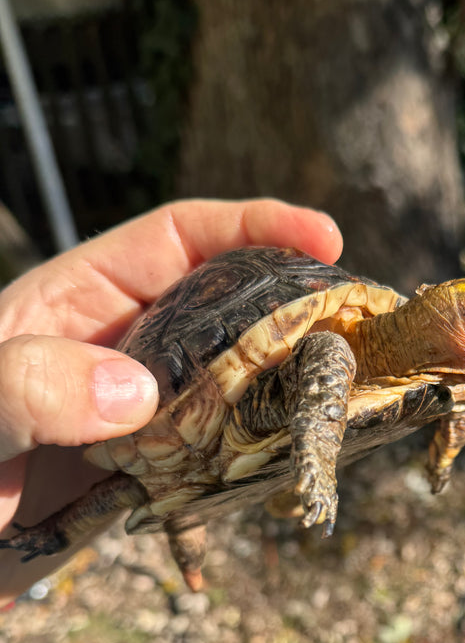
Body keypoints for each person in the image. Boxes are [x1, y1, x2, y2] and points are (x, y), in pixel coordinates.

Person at [0, 198, 343, 605]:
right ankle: (59, 535)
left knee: (158, 493)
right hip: (205, 395)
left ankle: (174, 531)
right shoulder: (324, 348)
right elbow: (326, 348)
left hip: (200, 461)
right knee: (145, 491)